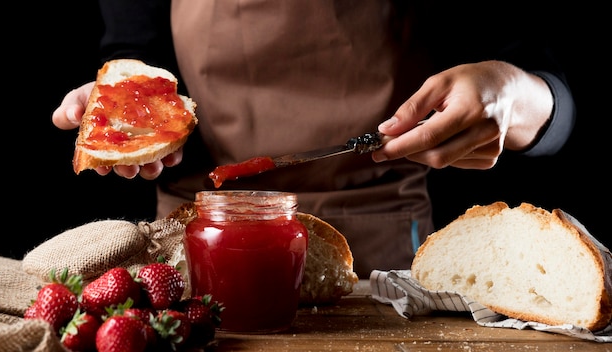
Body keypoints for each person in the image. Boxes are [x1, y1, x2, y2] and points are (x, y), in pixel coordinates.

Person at [52, 1, 575, 279]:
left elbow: (554, 95)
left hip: (383, 246)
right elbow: (135, 53)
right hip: (202, 240)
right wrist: (126, 109)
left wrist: (517, 96)